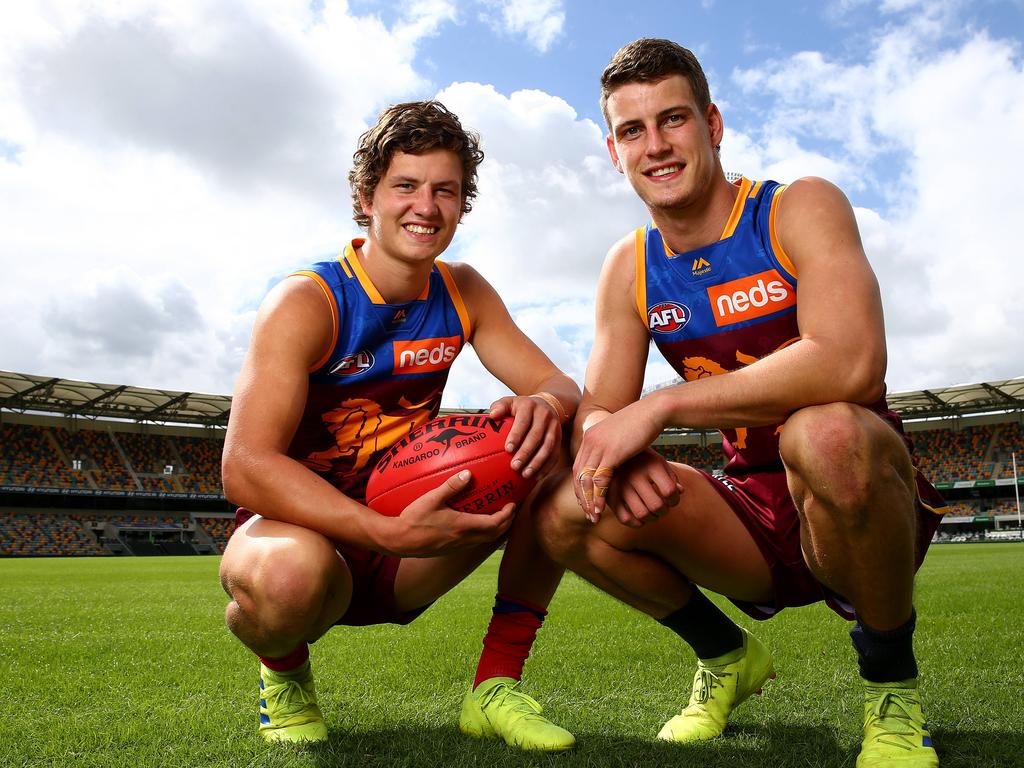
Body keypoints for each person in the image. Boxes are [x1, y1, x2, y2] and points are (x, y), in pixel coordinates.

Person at [535, 39, 947, 767]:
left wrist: (661, 409)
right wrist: (610, 441)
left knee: (822, 435)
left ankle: (893, 690)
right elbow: (598, 412)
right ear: (612, 151)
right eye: (633, 130)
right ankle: (725, 657)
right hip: (750, 517)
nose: (655, 146)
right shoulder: (628, 265)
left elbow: (850, 360)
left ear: (713, 123)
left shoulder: (797, 207)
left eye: (673, 120)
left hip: (852, 491)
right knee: (569, 507)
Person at [219, 100, 579, 752]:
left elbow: (559, 387)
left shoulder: (463, 290)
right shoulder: (309, 301)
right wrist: (381, 528)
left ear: (462, 203)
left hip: (411, 537)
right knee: (286, 584)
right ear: (367, 196)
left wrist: (544, 407)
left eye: (445, 190)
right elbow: (244, 463)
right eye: (406, 186)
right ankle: (285, 672)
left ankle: (495, 686)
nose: (427, 206)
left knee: (546, 449)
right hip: (309, 537)